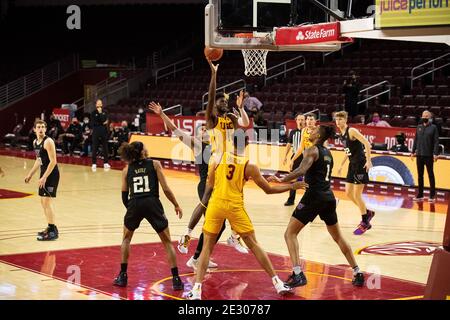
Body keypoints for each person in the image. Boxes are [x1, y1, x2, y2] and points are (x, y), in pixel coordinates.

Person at [186, 129, 308, 300]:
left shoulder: (217, 157)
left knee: (207, 246)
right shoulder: (249, 165)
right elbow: (269, 190)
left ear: (231, 142)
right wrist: (291, 186)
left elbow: (210, 186)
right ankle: (277, 283)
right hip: (234, 206)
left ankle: (196, 290)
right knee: (254, 245)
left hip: (216, 204)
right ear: (247, 144)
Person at [268, 125, 365, 288]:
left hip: (313, 197)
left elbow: (301, 170)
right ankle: (357, 271)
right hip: (328, 197)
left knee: (289, 233)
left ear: (319, 135)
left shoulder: (312, 150)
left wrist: (281, 180)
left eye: (313, 131)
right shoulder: (328, 154)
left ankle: (298, 273)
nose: (310, 132)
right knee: (338, 237)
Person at [178, 59, 251, 258]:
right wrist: (213, 76)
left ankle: (233, 236)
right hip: (216, 165)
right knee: (206, 200)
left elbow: (245, 123)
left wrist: (241, 107)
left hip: (230, 164)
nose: (224, 103)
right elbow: (211, 98)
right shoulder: (213, 119)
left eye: (225, 101)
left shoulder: (232, 118)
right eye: (221, 102)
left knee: (237, 201)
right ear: (214, 106)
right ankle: (187, 233)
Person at [113, 141, 184, 290]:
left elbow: (124, 195)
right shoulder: (155, 164)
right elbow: (166, 189)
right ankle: (176, 279)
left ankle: (123, 276)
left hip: (135, 203)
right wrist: (176, 204)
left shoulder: (127, 170)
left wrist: (132, 209)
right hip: (152, 203)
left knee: (126, 239)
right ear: (143, 151)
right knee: (167, 242)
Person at [335, 111, 375, 235]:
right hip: (352, 165)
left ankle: (365, 222)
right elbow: (348, 151)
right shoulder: (341, 134)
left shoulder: (351, 131)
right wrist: (341, 164)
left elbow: (367, 144)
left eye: (341, 119)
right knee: (348, 193)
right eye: (337, 119)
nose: (338, 122)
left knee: (357, 195)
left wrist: (369, 161)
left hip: (360, 164)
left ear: (346, 120)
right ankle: (367, 212)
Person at [24, 120, 60, 241]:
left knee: (47, 202)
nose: (41, 129)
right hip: (43, 174)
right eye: (38, 127)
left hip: (51, 174)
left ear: (45, 129)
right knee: (43, 203)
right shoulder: (35, 142)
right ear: (34, 129)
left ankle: (53, 230)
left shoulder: (48, 141)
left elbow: (53, 161)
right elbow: (39, 160)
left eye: (43, 127)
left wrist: (44, 177)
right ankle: (50, 227)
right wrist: (30, 174)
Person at [411, 110, 440, 202]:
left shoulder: (434, 128)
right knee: (420, 175)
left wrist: (435, 153)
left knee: (430, 175)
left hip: (428, 155)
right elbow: (415, 140)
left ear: (430, 117)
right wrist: (412, 151)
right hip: (419, 155)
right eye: (424, 116)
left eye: (427, 116)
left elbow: (436, 142)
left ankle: (432, 195)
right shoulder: (418, 127)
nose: (425, 117)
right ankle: (420, 195)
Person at [282, 114, 306, 206]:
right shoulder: (292, 132)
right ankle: (291, 200)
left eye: (302, 119)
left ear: (305, 121)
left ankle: (309, 200)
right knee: (292, 178)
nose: (300, 121)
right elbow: (288, 144)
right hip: (295, 157)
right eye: (299, 119)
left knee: (308, 178)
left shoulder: (307, 132)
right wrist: (285, 156)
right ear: (296, 121)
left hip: (305, 157)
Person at [91, 99, 110, 171]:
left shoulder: (105, 112)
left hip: (104, 132)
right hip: (96, 132)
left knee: (105, 147)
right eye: (97, 103)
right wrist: (102, 122)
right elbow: (93, 123)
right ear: (96, 105)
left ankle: (106, 163)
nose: (99, 105)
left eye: (100, 103)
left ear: (102, 104)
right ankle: (94, 163)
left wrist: (100, 114)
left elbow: (105, 120)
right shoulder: (93, 113)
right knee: (95, 147)